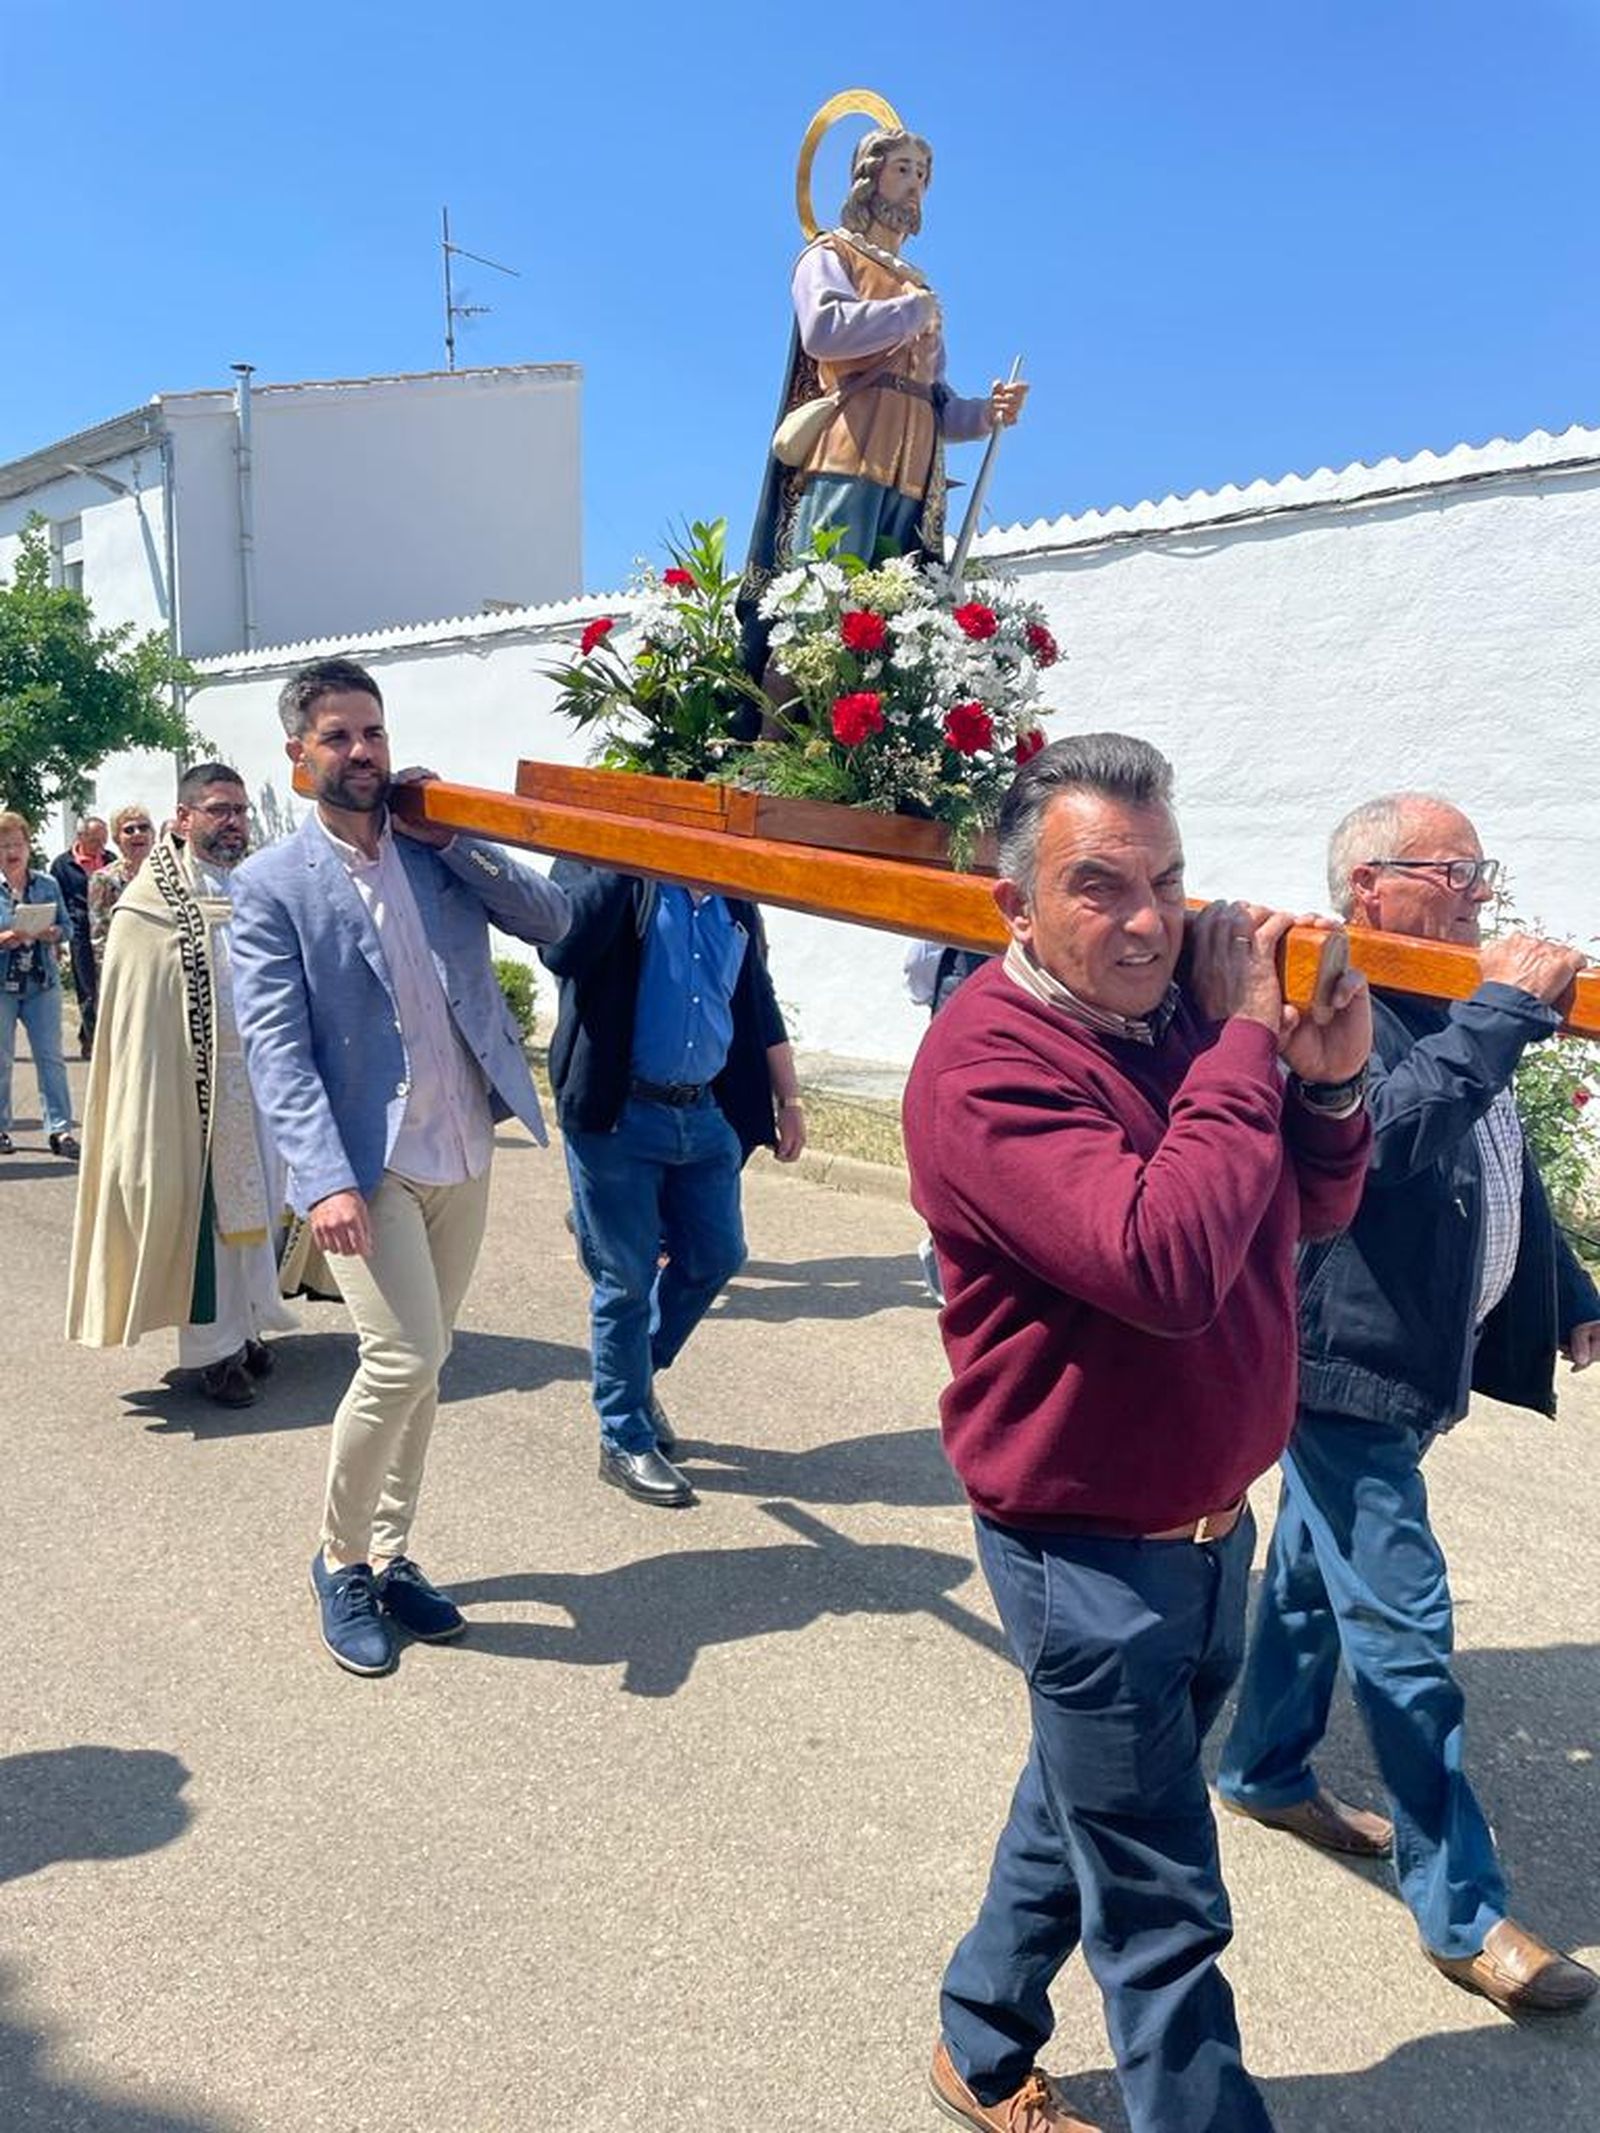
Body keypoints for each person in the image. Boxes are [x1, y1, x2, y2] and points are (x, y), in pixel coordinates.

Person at [903, 734, 1374, 2133]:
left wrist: (1332, 1088)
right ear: (1016, 907)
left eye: (1166, 880)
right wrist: (1243, 1040)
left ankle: (977, 2044)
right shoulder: (984, 1065)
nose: (1151, 920)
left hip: (1214, 1522)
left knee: (1081, 1803)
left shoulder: (1176, 1018)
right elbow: (1165, 1261)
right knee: (1164, 1905)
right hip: (1084, 1548)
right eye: (1101, 887)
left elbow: (1298, 1211)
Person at [1218, 791, 1600, 2017]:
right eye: (1456, 869)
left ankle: (1266, 1765)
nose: (1482, 889)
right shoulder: (1330, 996)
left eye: (1484, 866)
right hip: (1339, 1367)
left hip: (1409, 1365)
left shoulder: (1445, 1000)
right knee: (1405, 1633)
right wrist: (1497, 1016)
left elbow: (1499, 1170)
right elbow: (1375, 1146)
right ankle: (1461, 1910)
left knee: (1308, 1582)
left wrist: (1565, 1291)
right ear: (1369, 886)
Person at [229, 657, 570, 1678]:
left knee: (429, 1364)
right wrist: (323, 1178)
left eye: (371, 732)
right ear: (299, 756)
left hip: (462, 1145)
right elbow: (276, 1049)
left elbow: (551, 924)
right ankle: (338, 1560)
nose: (361, 752)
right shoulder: (271, 887)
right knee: (402, 1359)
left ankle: (390, 1552)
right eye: (336, 737)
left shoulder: (435, 854)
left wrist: (458, 839)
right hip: (368, 1167)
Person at [540, 867, 804, 1507]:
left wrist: (788, 1097)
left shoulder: (734, 894)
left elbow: (756, 996)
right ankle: (624, 1436)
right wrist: (628, 849)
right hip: (619, 1112)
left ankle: (631, 1373)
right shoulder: (610, 873)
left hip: (704, 1113)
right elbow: (561, 948)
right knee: (624, 1280)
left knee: (717, 1255)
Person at [740, 126, 1028, 675]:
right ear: (867, 177)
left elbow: (934, 400)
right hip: (851, 451)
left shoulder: (919, 287)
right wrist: (908, 313)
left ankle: (861, 740)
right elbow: (823, 331)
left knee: (889, 617)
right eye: (902, 169)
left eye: (922, 175)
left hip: (913, 472)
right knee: (818, 600)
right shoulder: (829, 254)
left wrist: (988, 414)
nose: (914, 186)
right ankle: (774, 748)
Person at [66, 765, 299, 1406]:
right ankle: (214, 1353)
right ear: (184, 818)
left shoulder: (252, 886)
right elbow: (141, 1014)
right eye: (219, 810)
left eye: (242, 811)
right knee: (209, 1225)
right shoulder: (150, 906)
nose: (234, 823)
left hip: (260, 1085)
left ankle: (249, 1327)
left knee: (263, 1209)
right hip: (191, 1093)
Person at [0, 811, 77, 1160]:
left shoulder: (46, 884)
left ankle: (60, 1130)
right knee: (1, 1060)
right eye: (3, 846)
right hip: (3, 984)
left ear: (29, 847)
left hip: (41, 982)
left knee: (50, 1059)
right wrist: (7, 937)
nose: (11, 852)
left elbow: (69, 925)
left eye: (17, 844)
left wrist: (53, 933)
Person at [50, 814, 111, 1057]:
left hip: (108, 930)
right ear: (81, 837)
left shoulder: (109, 860)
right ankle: (93, 1040)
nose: (100, 846)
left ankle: (94, 1035)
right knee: (87, 987)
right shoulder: (62, 865)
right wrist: (59, 937)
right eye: (95, 840)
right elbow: (56, 900)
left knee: (107, 984)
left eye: (103, 840)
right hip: (79, 931)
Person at [88, 803, 156, 969]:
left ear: (153, 835)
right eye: (129, 830)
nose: (137, 834)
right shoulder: (104, 879)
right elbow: (100, 936)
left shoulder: (168, 874)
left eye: (143, 828)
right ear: (117, 838)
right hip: (125, 965)